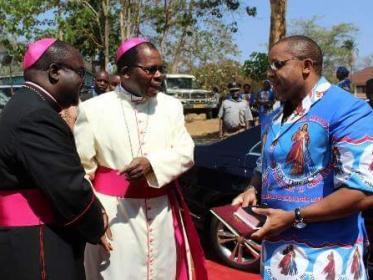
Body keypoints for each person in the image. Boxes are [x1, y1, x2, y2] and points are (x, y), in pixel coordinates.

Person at [232, 35, 373, 279]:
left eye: (278, 64)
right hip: (276, 257)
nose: (270, 73)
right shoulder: (276, 115)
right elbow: (264, 164)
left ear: (306, 66)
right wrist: (252, 189)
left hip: (324, 258)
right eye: (269, 66)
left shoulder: (348, 110)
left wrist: (293, 217)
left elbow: (363, 191)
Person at [74, 37, 207, 280]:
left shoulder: (171, 106)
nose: (159, 75)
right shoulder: (92, 109)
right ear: (125, 73)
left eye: (160, 69)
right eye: (150, 69)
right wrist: (94, 216)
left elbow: (186, 152)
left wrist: (152, 164)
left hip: (161, 212)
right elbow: (83, 169)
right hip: (114, 215)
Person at [0, 38, 109, 280]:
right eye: (81, 72)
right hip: (38, 241)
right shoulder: (36, 115)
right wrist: (97, 223)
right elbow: (69, 189)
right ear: (54, 72)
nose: (84, 81)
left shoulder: (26, 104)